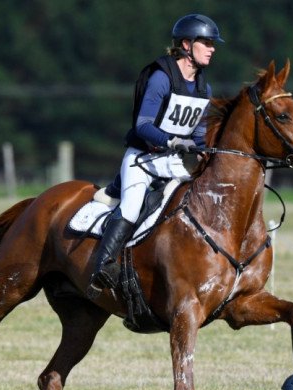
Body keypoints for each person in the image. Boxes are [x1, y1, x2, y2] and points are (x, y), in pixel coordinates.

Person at [88, 13, 224, 298]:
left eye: (213, 44)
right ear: (187, 45)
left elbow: (198, 134)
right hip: (142, 159)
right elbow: (143, 125)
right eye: (207, 43)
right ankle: (103, 266)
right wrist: (174, 140)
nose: (212, 48)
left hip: (171, 163)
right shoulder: (161, 78)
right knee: (132, 205)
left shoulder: (204, 88)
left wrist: (205, 151)